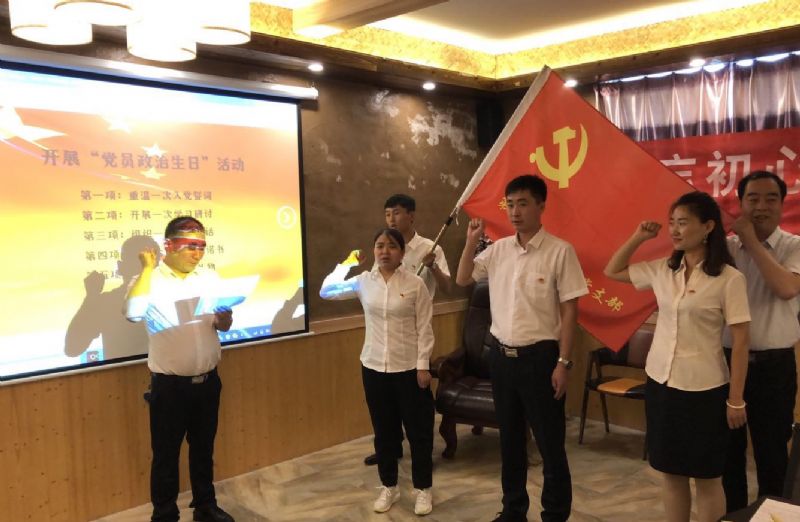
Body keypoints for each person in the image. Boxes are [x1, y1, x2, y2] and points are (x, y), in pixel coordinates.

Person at [604, 191, 750, 522]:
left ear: (708, 226)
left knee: (708, 477)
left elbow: (741, 342)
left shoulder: (729, 279)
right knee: (671, 473)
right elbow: (613, 270)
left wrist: (736, 399)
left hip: (705, 390)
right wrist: (638, 237)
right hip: (662, 384)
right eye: (672, 222)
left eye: (683, 223)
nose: (674, 230)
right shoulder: (663, 270)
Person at [455, 174, 588, 522]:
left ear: (541, 206)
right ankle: (513, 511)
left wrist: (563, 362)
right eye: (510, 204)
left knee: (549, 443)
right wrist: (470, 243)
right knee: (510, 441)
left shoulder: (560, 251)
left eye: (523, 204)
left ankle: (555, 514)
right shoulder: (498, 250)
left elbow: (570, 311)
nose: (515, 211)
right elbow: (463, 278)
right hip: (501, 359)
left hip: (541, 359)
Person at [124, 216, 234, 522]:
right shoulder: (149, 280)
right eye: (190, 245)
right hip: (170, 387)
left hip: (208, 382)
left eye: (202, 246)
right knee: (166, 455)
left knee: (204, 449)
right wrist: (146, 269)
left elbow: (221, 325)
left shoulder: (209, 278)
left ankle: (205, 506)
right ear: (169, 246)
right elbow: (132, 313)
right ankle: (164, 514)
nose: (197, 252)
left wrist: (224, 320)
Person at [320, 228, 436, 516]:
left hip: (409, 369)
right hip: (373, 367)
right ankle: (389, 486)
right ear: (374, 250)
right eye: (380, 246)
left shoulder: (415, 284)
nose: (385, 251)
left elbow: (425, 327)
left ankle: (423, 489)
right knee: (384, 432)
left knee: (419, 432)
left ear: (402, 253)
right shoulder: (364, 282)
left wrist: (423, 365)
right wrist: (346, 264)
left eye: (392, 246)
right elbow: (326, 291)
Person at [722, 171, 800, 511]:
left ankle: (771, 517)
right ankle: (734, 515)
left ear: (783, 204)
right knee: (728, 454)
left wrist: (751, 242)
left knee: (772, 456)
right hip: (725, 363)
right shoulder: (725, 249)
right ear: (741, 204)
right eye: (752, 198)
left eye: (771, 199)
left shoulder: (794, 246)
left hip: (774, 368)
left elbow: (786, 288)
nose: (761, 206)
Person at [362, 193, 451, 466]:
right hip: (385, 333)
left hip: (415, 331)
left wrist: (432, 266)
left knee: (415, 405)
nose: (391, 219)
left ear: (411, 216)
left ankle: (422, 455)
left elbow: (448, 287)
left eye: (397, 213)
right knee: (385, 405)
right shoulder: (383, 249)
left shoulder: (430, 247)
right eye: (387, 214)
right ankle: (390, 448)